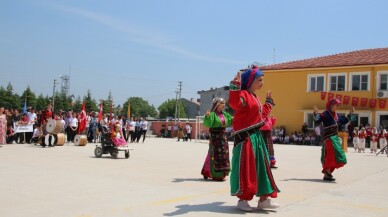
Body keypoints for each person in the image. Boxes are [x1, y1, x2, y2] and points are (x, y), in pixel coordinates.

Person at [229, 66, 280, 212]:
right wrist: (235, 87)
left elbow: (260, 116)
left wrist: (268, 103)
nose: (262, 83)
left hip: (256, 137)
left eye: (262, 80)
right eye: (259, 80)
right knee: (246, 168)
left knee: (261, 168)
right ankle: (243, 199)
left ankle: (264, 200)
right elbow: (234, 104)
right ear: (250, 81)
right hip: (245, 139)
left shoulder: (255, 97)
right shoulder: (243, 95)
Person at [313, 99, 354, 181]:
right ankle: (327, 172)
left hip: (335, 138)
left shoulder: (337, 115)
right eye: (336, 105)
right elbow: (317, 120)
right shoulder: (325, 114)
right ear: (331, 105)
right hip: (328, 137)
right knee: (331, 154)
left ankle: (327, 173)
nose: (337, 107)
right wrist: (315, 113)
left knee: (337, 155)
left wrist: (350, 114)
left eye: (338, 105)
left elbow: (344, 121)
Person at [201, 97, 233, 181]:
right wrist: (207, 117)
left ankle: (218, 173)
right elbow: (207, 124)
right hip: (215, 137)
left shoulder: (225, 114)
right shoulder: (212, 114)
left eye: (224, 103)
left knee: (224, 154)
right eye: (222, 103)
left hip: (223, 137)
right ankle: (215, 174)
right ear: (217, 105)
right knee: (215, 154)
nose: (224, 105)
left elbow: (232, 120)